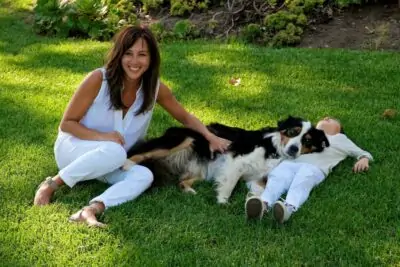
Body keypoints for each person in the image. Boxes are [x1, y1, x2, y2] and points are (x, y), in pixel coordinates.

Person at [33, 25, 231, 227]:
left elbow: (185, 117)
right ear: (119, 55)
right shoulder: (98, 80)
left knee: (144, 175)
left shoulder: (154, 88)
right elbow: (67, 124)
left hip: (110, 160)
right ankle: (51, 185)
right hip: (74, 150)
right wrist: (104, 137)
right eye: (128, 54)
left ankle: (91, 210)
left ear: (151, 59)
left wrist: (210, 137)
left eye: (142, 54)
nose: (135, 62)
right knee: (116, 151)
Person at [245, 117, 373, 224]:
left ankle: (288, 207)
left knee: (302, 182)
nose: (326, 118)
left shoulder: (340, 139)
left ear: (339, 130)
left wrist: (364, 159)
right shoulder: (304, 135)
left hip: (315, 168)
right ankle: (264, 203)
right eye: (325, 118)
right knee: (277, 178)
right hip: (289, 164)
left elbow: (362, 152)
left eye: (332, 120)